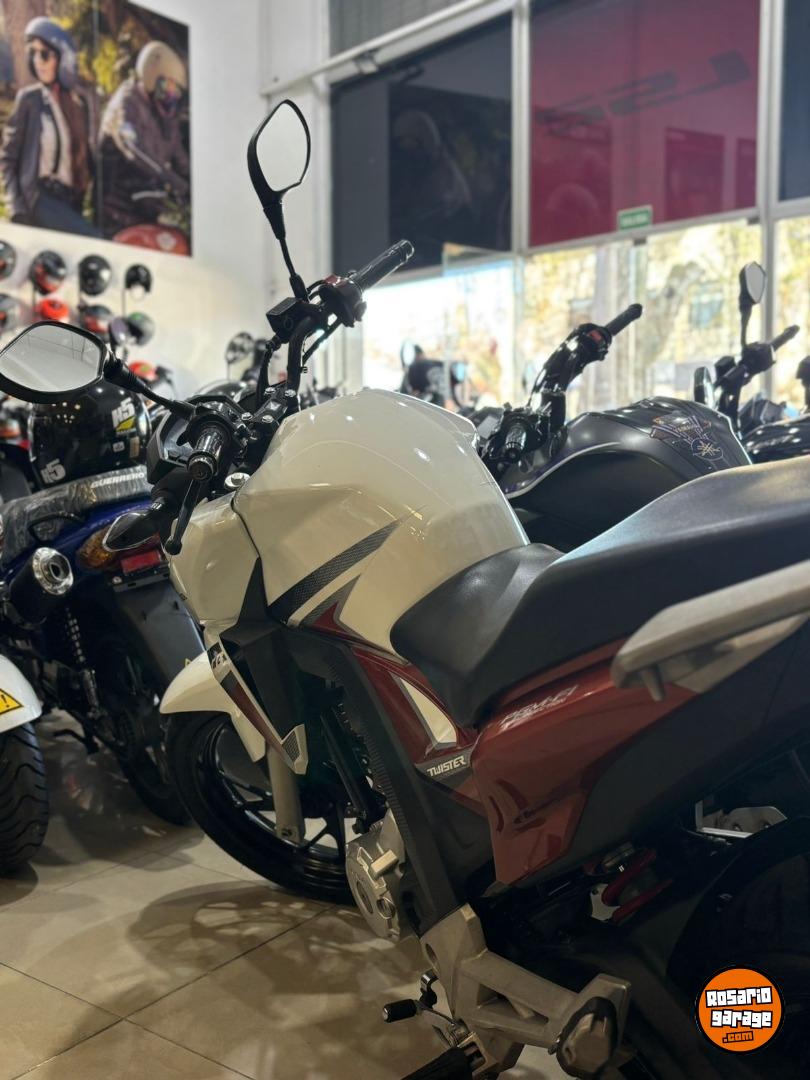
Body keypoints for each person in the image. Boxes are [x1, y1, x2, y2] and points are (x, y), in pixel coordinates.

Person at [0, 17, 97, 236]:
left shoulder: (79, 106)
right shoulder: (29, 100)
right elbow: (8, 158)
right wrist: (17, 207)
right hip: (40, 198)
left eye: (44, 54)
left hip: (70, 203)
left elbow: (88, 161)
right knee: (92, 238)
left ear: (63, 59)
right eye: (33, 53)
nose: (37, 61)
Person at [98, 41, 189, 238]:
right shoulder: (125, 104)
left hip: (145, 205)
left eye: (175, 92)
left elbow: (178, 153)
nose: (171, 96)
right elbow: (136, 150)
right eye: (167, 87)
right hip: (117, 207)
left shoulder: (164, 113)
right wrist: (173, 180)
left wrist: (194, 184)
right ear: (152, 76)